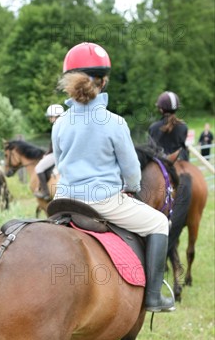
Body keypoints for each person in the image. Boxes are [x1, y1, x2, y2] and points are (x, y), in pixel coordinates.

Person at [51, 42, 175, 313]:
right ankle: (153, 298)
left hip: (63, 200)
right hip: (103, 201)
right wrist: (131, 188)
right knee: (157, 223)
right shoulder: (115, 123)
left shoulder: (60, 122)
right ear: (103, 81)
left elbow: (60, 163)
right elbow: (131, 170)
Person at [35, 104, 65, 200]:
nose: (49, 119)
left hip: (57, 154)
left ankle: (46, 193)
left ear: (55, 116)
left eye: (50, 117)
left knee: (38, 168)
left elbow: (54, 146)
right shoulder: (64, 126)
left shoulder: (56, 127)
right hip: (63, 153)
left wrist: (46, 154)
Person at [148, 92, 189, 161]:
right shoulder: (183, 126)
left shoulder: (153, 128)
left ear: (161, 109)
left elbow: (151, 150)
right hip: (179, 160)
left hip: (161, 163)